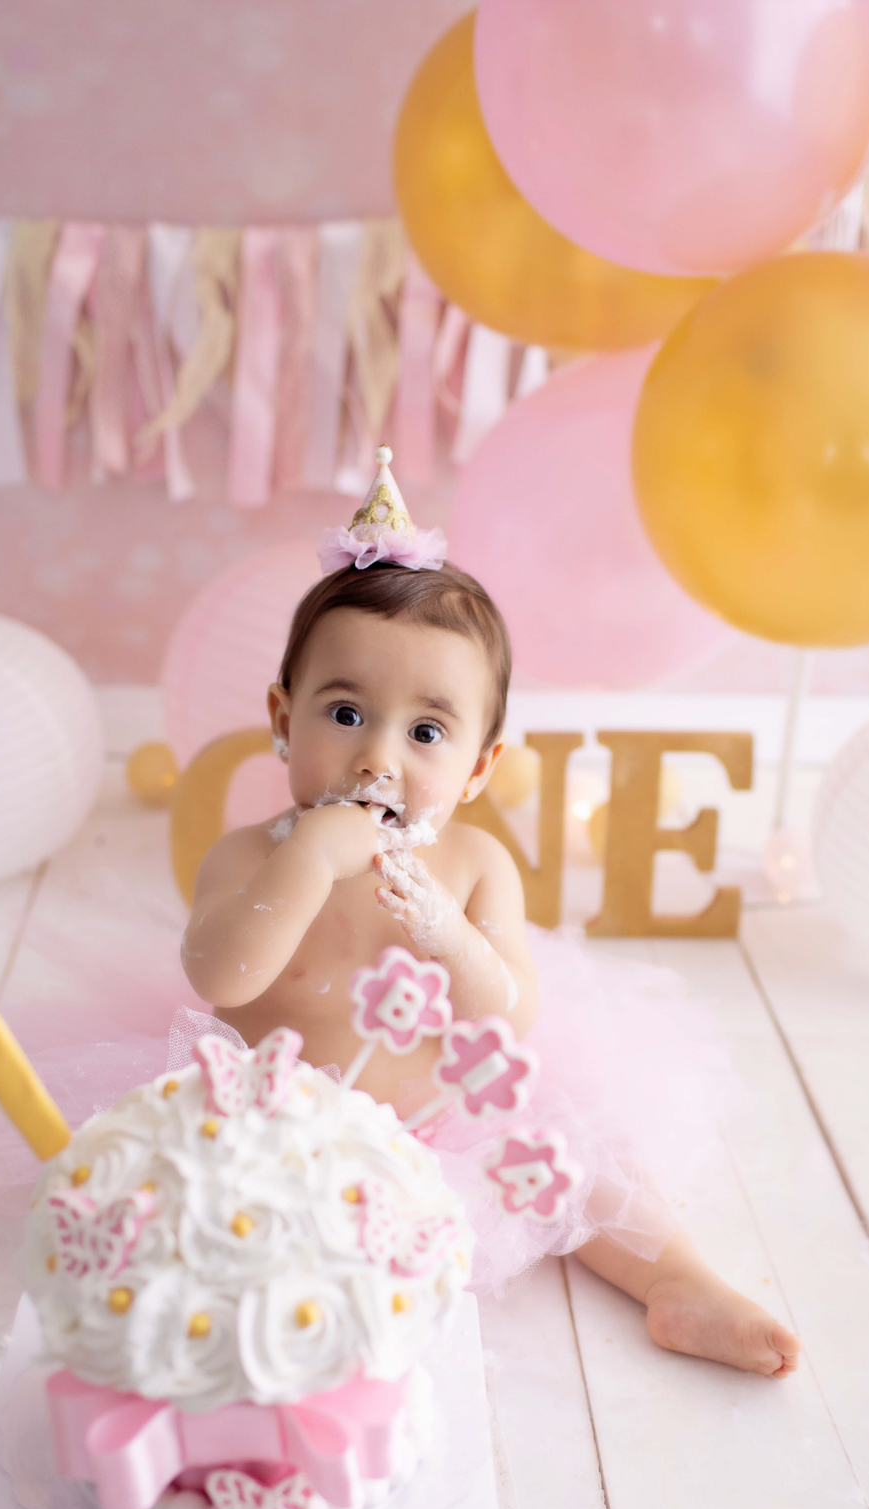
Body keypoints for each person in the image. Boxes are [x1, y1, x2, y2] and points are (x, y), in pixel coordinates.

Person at [182, 448, 801, 1380]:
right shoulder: (248, 855)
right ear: (281, 716)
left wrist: (444, 932)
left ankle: (678, 1280)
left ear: (477, 768)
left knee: (582, 1159)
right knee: (218, 1216)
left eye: (426, 731)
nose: (378, 757)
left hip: (450, 1120)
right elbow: (221, 978)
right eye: (345, 713)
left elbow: (508, 1016)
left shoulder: (473, 866)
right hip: (282, 1131)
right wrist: (308, 857)